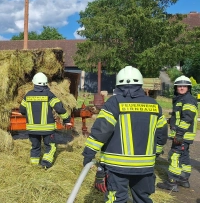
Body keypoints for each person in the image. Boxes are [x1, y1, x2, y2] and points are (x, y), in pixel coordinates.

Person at [82, 66, 168, 202]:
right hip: (145, 167)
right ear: (140, 84)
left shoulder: (114, 103)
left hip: (117, 167)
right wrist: (155, 153)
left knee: (116, 199)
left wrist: (89, 153)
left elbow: (101, 131)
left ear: (119, 85)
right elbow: (161, 135)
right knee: (143, 199)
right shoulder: (154, 105)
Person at [19, 72, 71, 169]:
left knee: (35, 147)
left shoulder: (28, 95)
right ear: (45, 84)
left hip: (32, 129)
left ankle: (34, 165)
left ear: (34, 83)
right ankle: (45, 164)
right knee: (50, 146)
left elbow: (22, 110)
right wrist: (67, 119)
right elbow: (59, 108)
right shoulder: (49, 95)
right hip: (47, 129)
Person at [157, 75, 198, 192]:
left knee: (174, 156)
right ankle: (183, 180)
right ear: (176, 87)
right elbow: (181, 116)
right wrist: (172, 120)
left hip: (182, 135)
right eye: (179, 86)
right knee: (184, 157)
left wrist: (179, 134)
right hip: (186, 135)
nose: (181, 88)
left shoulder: (187, 100)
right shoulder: (183, 99)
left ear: (188, 88)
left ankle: (172, 182)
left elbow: (187, 118)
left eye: (184, 86)